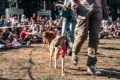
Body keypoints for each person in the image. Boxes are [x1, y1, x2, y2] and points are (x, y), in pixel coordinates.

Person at [70, 0, 108, 75]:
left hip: (98, 7)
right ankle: (75, 51)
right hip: (83, 6)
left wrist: (105, 8)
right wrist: (73, 2)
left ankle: (91, 65)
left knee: (95, 37)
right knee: (82, 35)